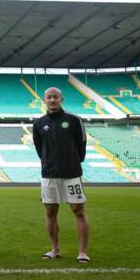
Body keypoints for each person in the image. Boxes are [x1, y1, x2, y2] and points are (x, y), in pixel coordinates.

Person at [33, 87, 90, 263]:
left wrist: (73, 161)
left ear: (61, 98)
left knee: (78, 211)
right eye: (49, 97)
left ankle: (82, 252)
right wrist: (49, 162)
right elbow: (39, 147)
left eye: (55, 97)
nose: (52, 100)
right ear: (44, 101)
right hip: (49, 174)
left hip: (71, 173)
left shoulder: (74, 120)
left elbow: (82, 144)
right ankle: (54, 249)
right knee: (51, 212)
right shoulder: (38, 123)